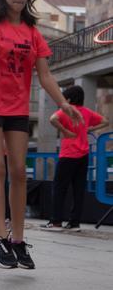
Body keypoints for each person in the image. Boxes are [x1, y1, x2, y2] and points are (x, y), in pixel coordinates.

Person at [0, 0, 82, 269]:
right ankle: (0, 236)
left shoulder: (33, 33)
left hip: (17, 108)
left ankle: (18, 240)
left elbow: (45, 75)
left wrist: (63, 104)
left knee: (19, 170)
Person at [42, 86, 108, 232]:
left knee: (59, 188)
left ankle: (56, 222)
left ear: (69, 99)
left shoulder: (68, 110)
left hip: (68, 155)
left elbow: (52, 118)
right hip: (83, 155)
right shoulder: (87, 112)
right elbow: (105, 121)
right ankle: (74, 223)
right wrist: (90, 129)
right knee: (78, 190)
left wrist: (64, 131)